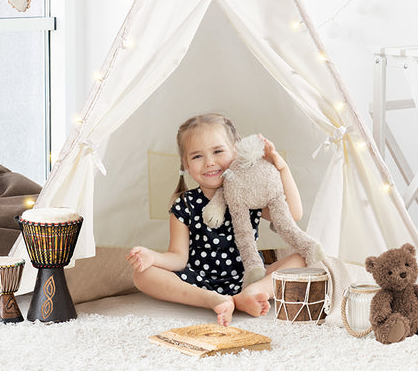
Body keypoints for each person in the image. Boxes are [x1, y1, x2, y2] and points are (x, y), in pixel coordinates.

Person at [126, 113, 306, 326]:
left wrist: (282, 168)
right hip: (198, 280)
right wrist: (152, 257)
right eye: (197, 156)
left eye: (218, 151)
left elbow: (293, 215)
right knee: (142, 276)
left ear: (236, 151)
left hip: (248, 276)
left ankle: (252, 293)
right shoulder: (184, 205)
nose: (209, 162)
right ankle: (213, 300)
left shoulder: (250, 194)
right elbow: (178, 258)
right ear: (186, 165)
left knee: (302, 259)